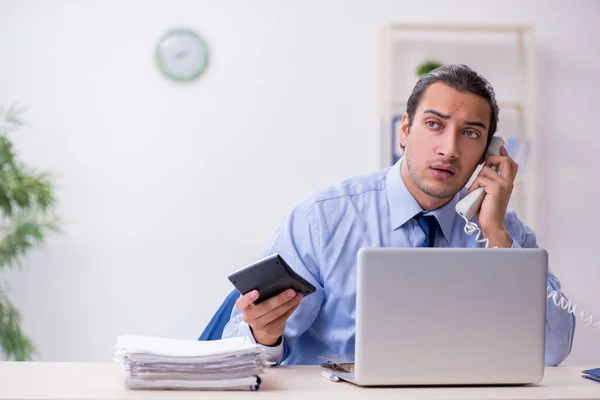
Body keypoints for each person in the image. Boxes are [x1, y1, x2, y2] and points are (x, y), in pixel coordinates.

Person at [222, 64, 575, 367]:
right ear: (404, 130)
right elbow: (247, 353)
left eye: (470, 133)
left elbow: (553, 350)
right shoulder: (322, 219)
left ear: (488, 152)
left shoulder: (502, 231)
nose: (449, 150)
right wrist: (265, 335)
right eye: (435, 124)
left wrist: (498, 238)